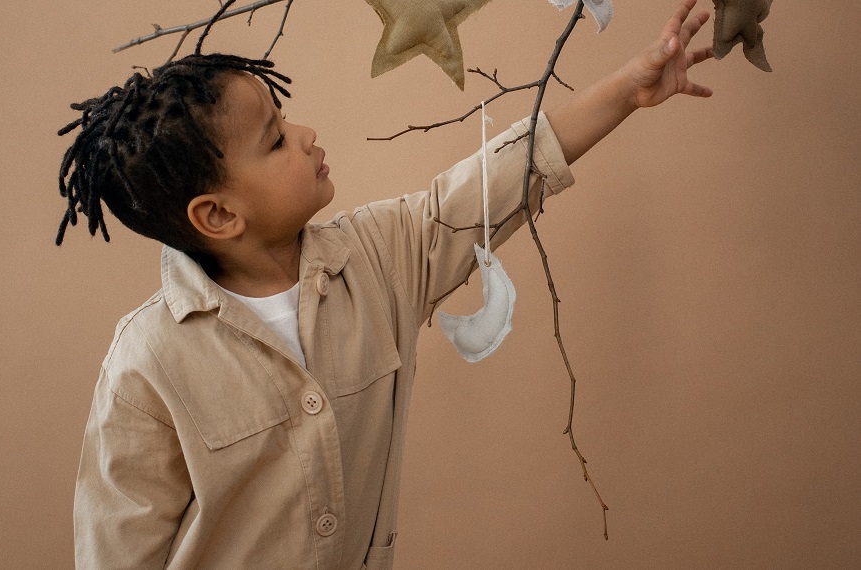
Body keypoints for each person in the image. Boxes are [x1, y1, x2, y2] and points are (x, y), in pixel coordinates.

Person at [61, 1, 714, 568]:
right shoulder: (146, 364)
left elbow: (494, 182)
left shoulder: (376, 258)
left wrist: (628, 90)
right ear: (220, 214)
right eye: (275, 140)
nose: (305, 134)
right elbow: (118, 550)